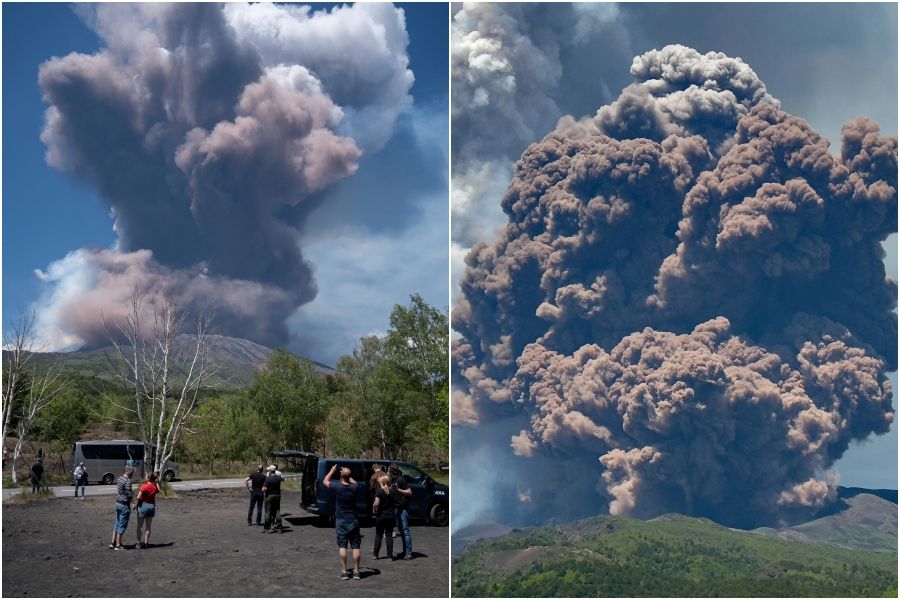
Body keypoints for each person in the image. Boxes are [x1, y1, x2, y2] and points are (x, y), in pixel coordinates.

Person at [324, 464, 364, 580]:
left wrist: (332, 471)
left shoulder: (337, 486)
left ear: (341, 476)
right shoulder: (355, 488)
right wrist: (347, 475)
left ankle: (344, 572)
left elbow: (325, 481)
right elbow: (355, 483)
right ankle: (356, 572)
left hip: (341, 519)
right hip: (353, 519)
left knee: (342, 546)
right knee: (356, 546)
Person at [388, 463, 413, 560]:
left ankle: (408, 552)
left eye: (388, 470)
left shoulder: (400, 480)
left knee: (405, 531)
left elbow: (409, 492)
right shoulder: (392, 480)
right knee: (401, 531)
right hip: (396, 507)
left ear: (392, 471)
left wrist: (398, 489)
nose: (387, 472)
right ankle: (405, 551)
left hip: (403, 508)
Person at [109, 466, 134, 550]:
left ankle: (112, 542)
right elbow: (129, 494)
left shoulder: (119, 478)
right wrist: (133, 503)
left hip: (118, 503)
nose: (132, 475)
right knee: (122, 524)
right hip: (124, 504)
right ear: (129, 472)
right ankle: (118, 545)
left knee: (117, 522)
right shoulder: (128, 481)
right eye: (132, 473)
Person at [372, 474, 395, 561]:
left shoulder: (379, 491)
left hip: (381, 516)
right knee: (389, 535)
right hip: (390, 516)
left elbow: (376, 503)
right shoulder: (392, 491)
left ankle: (375, 554)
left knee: (378, 535)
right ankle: (390, 556)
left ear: (382, 482)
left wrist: (374, 508)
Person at [135, 472, 160, 549]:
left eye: (146, 476)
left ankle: (138, 543)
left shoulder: (144, 486)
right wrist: (157, 482)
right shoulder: (154, 487)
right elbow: (158, 490)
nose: (145, 477)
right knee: (148, 526)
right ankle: (146, 543)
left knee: (140, 526)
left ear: (149, 478)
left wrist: (136, 504)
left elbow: (138, 497)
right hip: (151, 506)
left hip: (143, 506)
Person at [261, 465, 284, 533]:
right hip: (277, 496)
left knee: (268, 512)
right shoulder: (278, 478)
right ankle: (279, 528)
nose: (268, 471)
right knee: (277, 511)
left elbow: (264, 488)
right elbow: (283, 479)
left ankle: (266, 528)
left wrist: (263, 488)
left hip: (269, 496)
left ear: (270, 471)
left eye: (269, 470)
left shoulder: (268, 478)